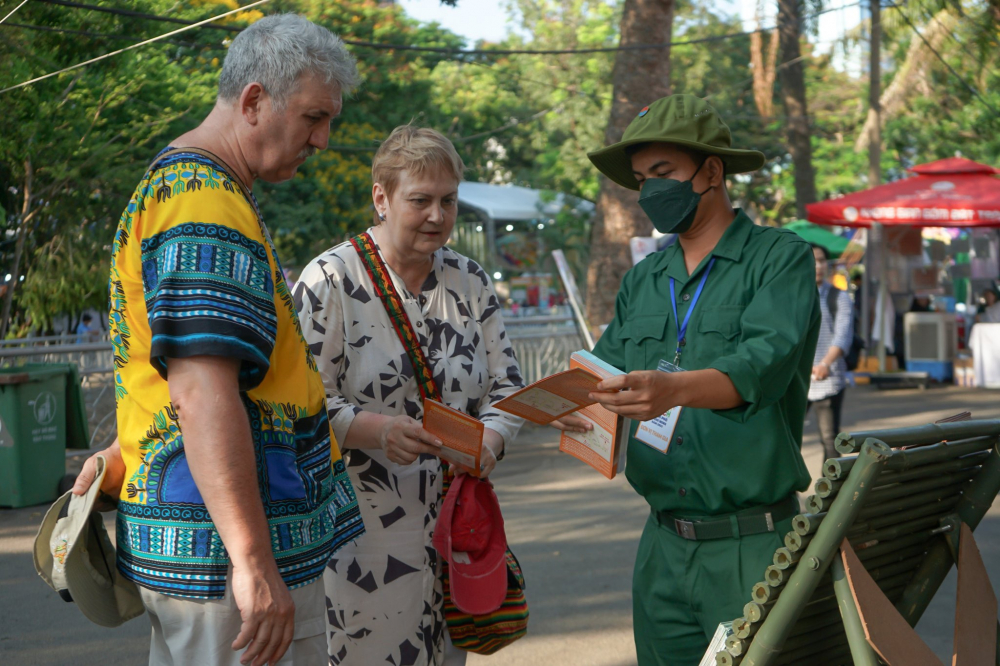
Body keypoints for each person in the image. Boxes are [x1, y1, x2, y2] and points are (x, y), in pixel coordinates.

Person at [70, 15, 365, 666]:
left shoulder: (202, 189)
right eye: (315, 117)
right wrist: (254, 563)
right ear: (255, 100)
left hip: (214, 541)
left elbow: (176, 377)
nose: (322, 139)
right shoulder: (201, 200)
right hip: (222, 553)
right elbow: (203, 393)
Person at [554, 94, 820, 664]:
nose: (651, 190)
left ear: (712, 170)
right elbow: (598, 378)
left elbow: (759, 368)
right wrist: (536, 410)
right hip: (662, 547)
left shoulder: (779, 259)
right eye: (643, 178)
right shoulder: (646, 279)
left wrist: (671, 389)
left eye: (664, 173)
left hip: (754, 546)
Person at [293, 125, 524, 666]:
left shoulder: (470, 280)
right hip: (361, 546)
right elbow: (298, 404)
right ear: (381, 197)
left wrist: (491, 437)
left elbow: (507, 385)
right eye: (420, 200)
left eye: (449, 201)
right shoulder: (328, 280)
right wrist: (373, 431)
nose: (438, 216)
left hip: (454, 534)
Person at [807, 244, 854, 462]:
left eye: (822, 260)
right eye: (814, 260)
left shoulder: (839, 297)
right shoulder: (792, 297)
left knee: (829, 439)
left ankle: (834, 491)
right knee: (788, 437)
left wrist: (825, 364)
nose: (818, 266)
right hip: (798, 378)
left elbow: (842, 337)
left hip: (829, 377)